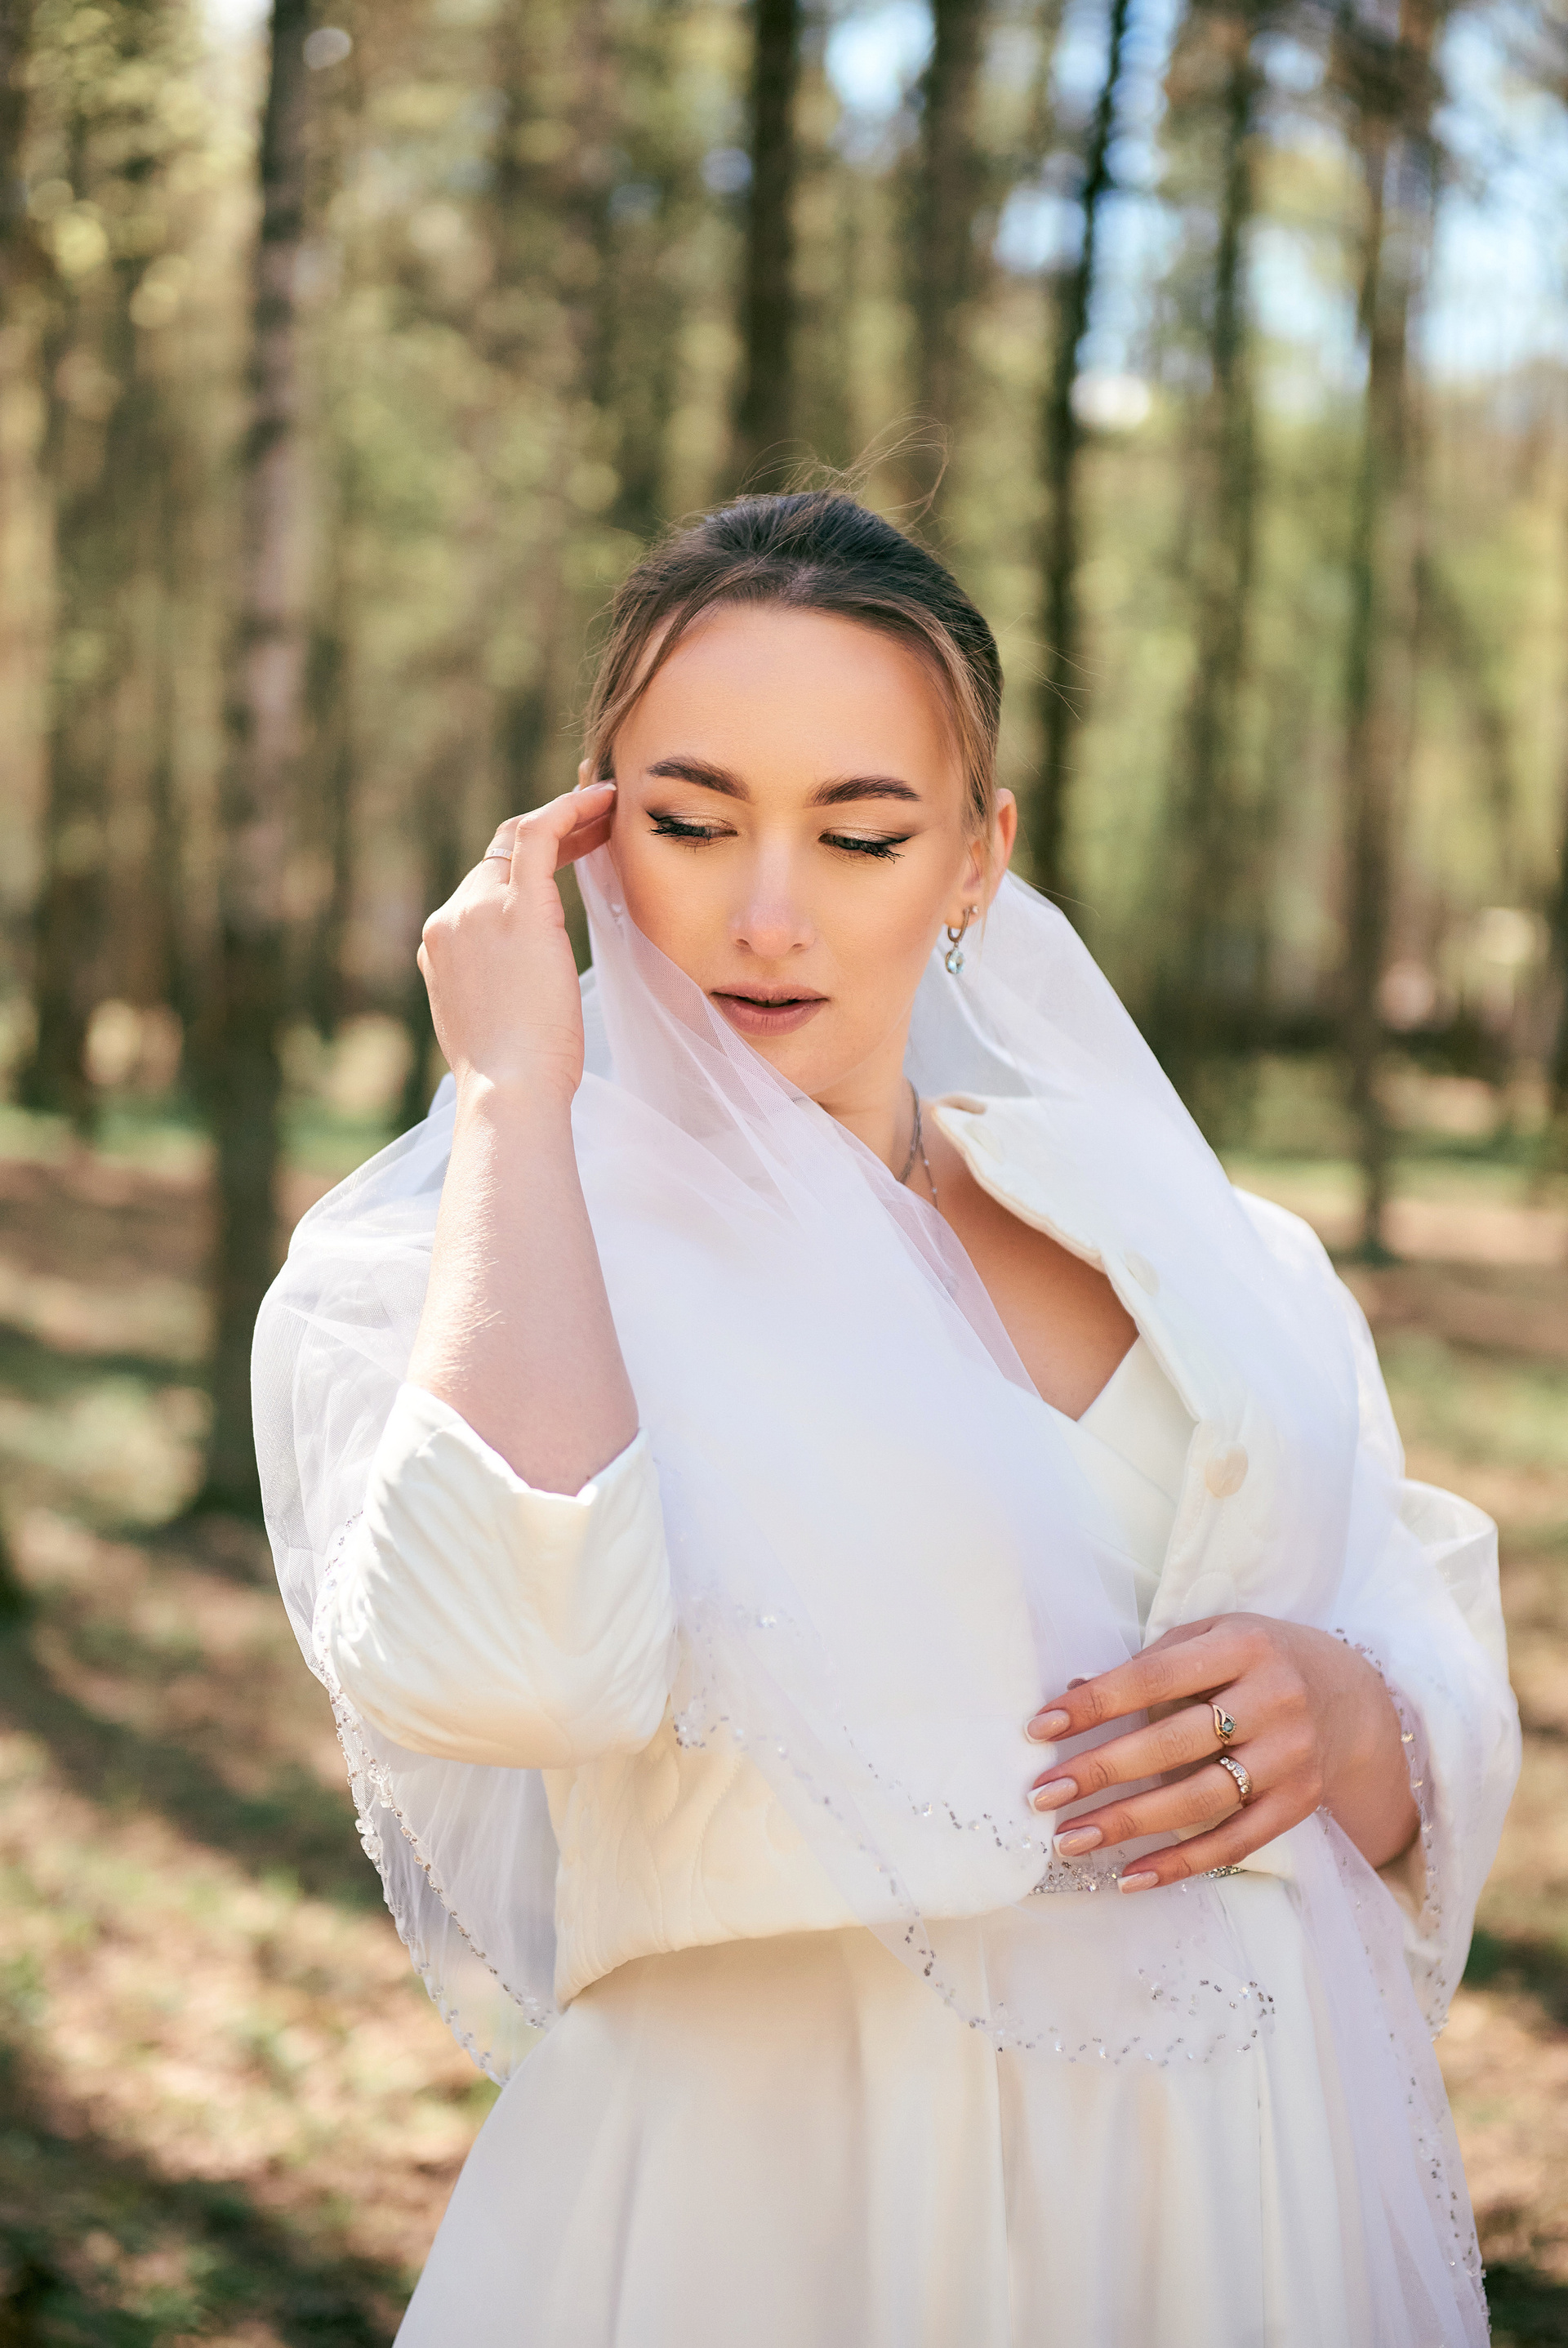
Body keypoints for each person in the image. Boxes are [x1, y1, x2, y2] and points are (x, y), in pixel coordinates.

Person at [255, 492, 1520, 2347]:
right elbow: (510, 1668)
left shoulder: (1218, 1253)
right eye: (692, 824)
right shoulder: (459, 1261)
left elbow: (1425, 1665)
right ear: (586, 836)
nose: (769, 915)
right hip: (783, 2210)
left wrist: (1342, 1715)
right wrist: (518, 1091)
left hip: (1239, 2206)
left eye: (860, 834)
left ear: (978, 858)